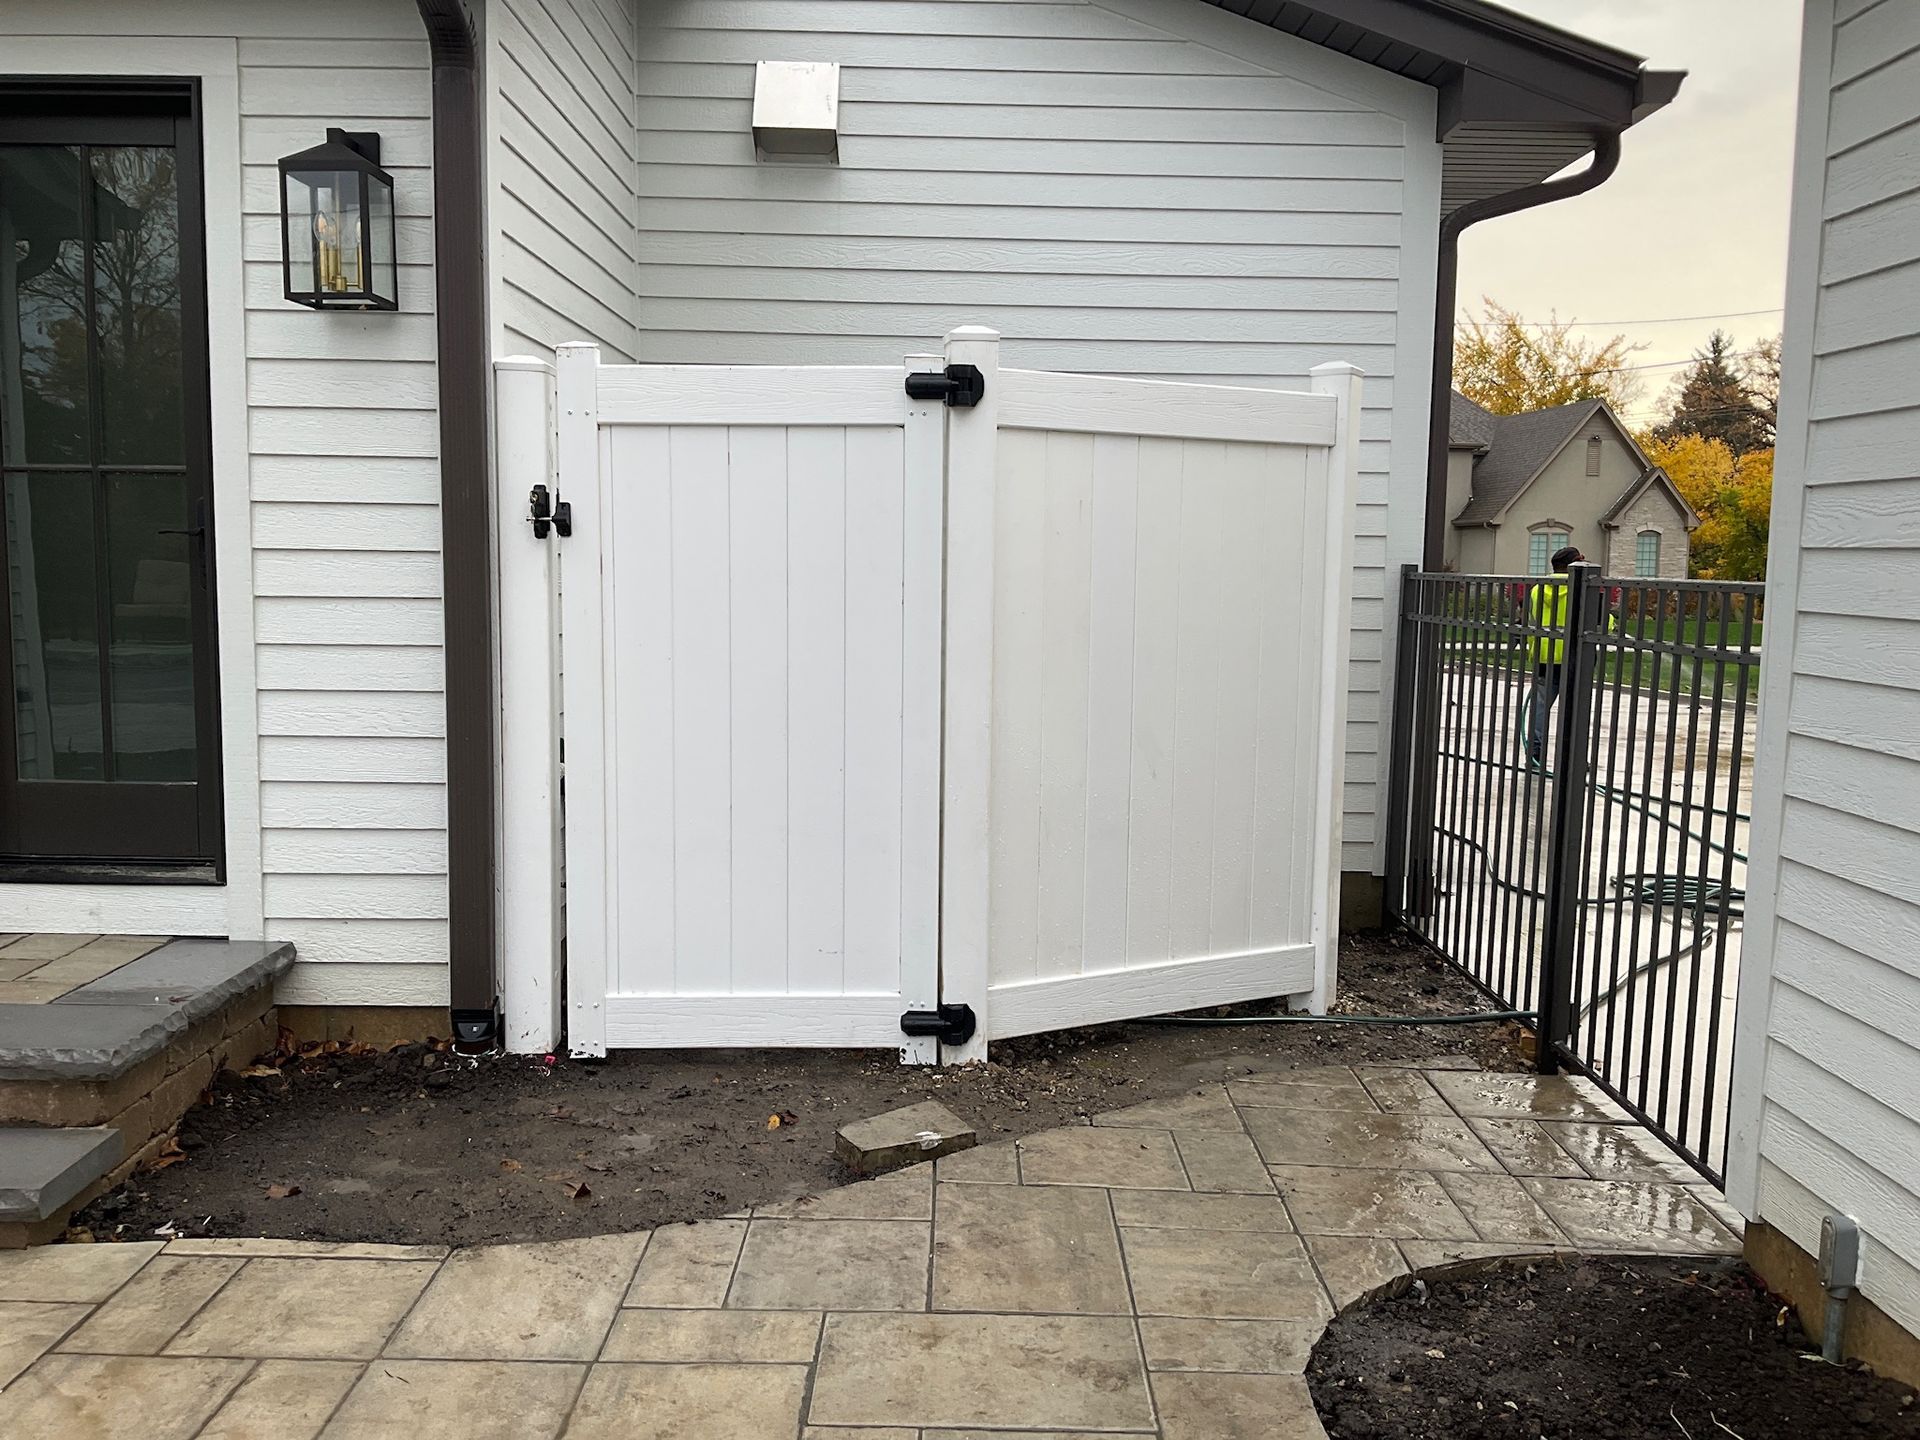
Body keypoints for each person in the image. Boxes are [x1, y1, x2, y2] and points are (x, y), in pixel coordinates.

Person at [1523, 545, 1585, 768]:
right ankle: (1572, 756)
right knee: (1574, 710)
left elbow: (1530, 619)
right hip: (1573, 658)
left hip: (1544, 656)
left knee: (1540, 707)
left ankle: (1535, 752)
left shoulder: (1538, 589)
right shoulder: (1580, 588)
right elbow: (1598, 622)